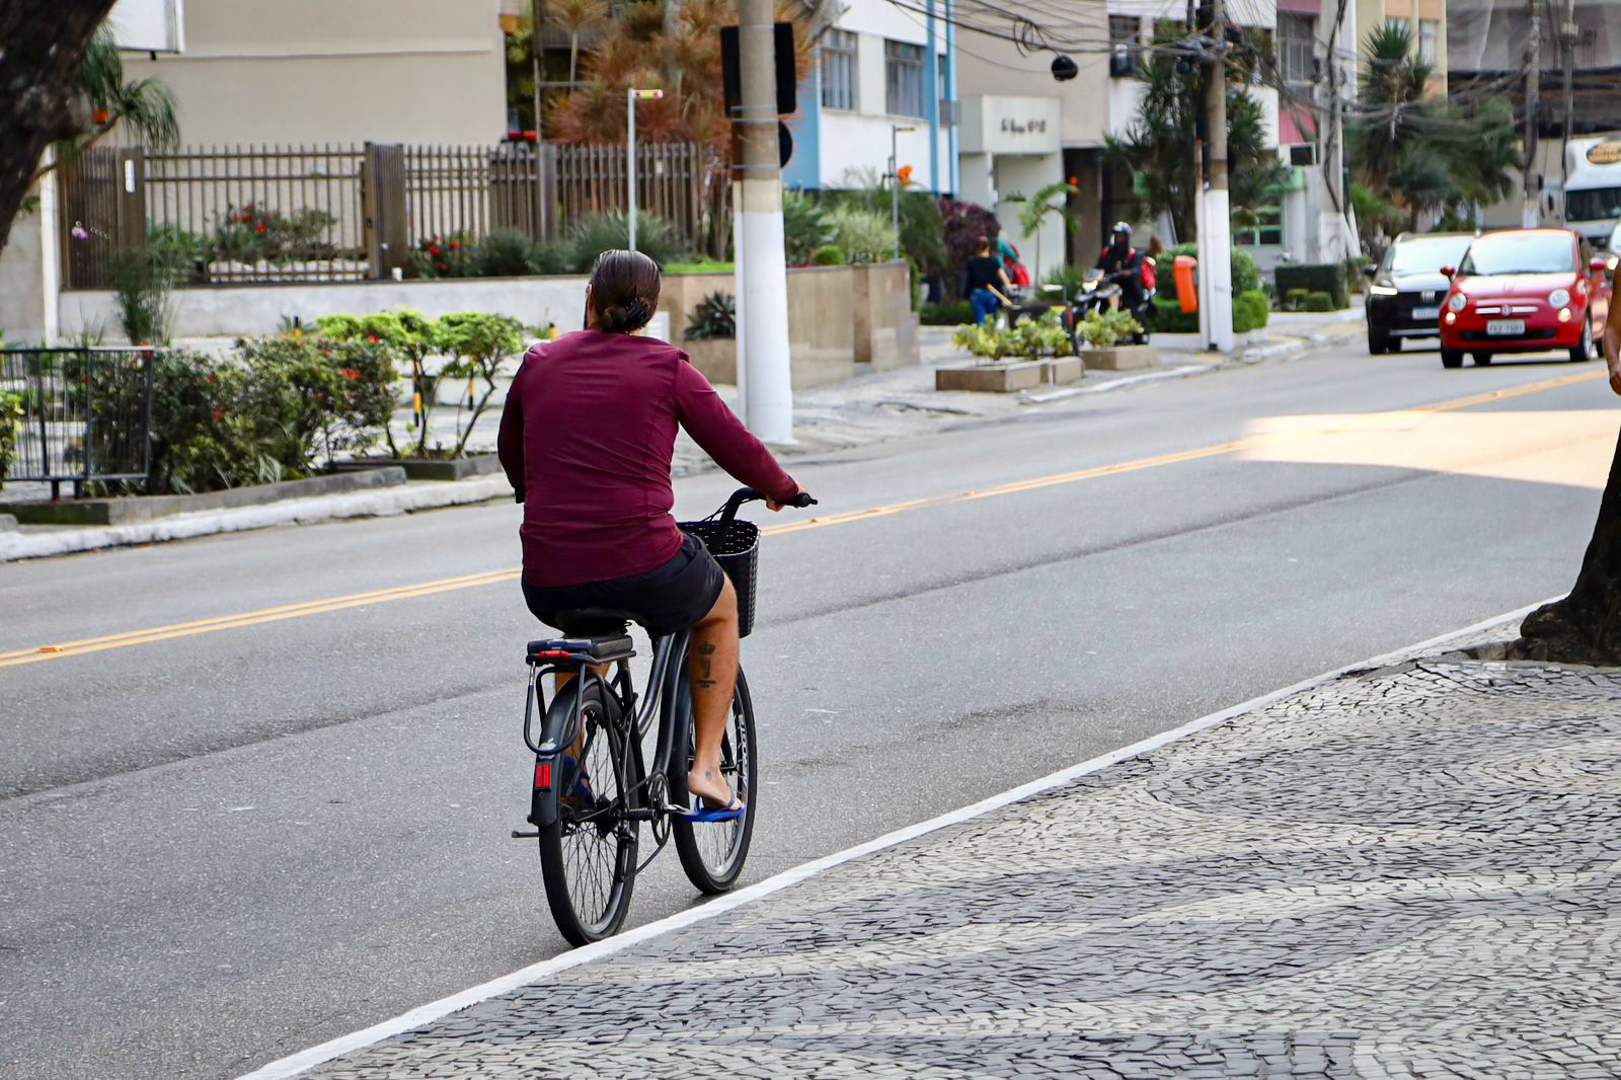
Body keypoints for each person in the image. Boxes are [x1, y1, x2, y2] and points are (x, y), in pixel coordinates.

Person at [497, 249, 807, 817]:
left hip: (548, 574)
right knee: (720, 605)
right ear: (651, 309)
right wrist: (780, 487)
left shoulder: (539, 361)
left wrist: (534, 492)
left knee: (583, 629)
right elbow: (732, 442)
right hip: (644, 562)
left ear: (590, 299)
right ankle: (707, 767)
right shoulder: (666, 367)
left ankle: (567, 768)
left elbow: (510, 450)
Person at [1096, 221, 1146, 312]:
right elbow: (1098, 268)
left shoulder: (1132, 254)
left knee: (1130, 295)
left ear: (1126, 237)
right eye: (1116, 235)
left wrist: (1128, 272)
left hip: (1125, 285)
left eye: (1120, 236)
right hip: (1109, 283)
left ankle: (1139, 307)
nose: (1118, 238)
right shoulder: (1107, 252)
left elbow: (1137, 270)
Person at [966, 235, 1013, 325]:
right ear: (988, 247)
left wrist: (966, 295)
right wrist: (1009, 286)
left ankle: (980, 332)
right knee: (992, 321)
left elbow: (968, 281)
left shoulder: (972, 262)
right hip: (991, 293)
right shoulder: (994, 261)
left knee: (980, 321)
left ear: (977, 248)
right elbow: (1003, 277)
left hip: (977, 294)